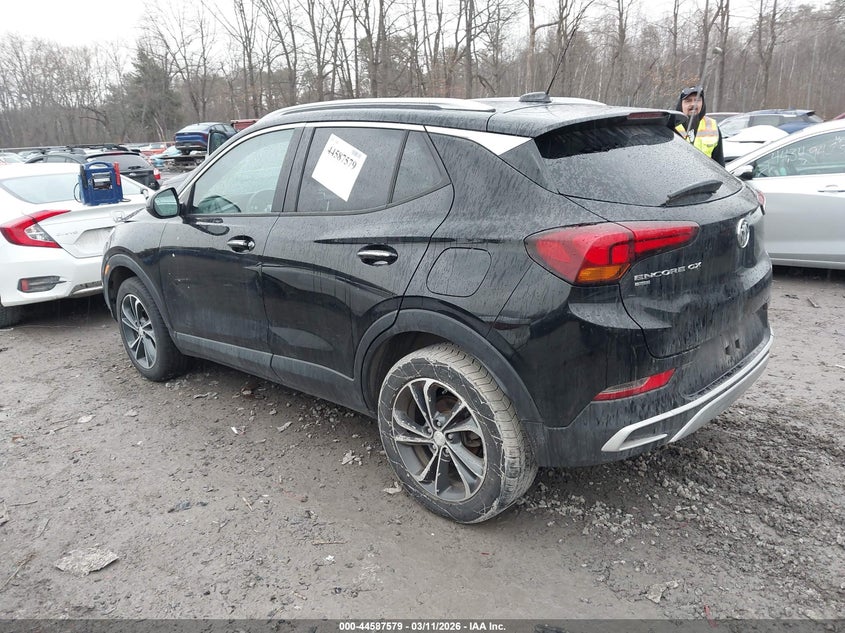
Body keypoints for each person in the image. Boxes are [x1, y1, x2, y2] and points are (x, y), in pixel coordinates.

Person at [674, 86, 725, 166]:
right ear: (681, 104)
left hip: (705, 177)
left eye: (697, 100)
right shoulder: (671, 126)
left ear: (702, 103)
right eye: (688, 101)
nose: (693, 104)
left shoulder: (712, 126)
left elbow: (720, 164)